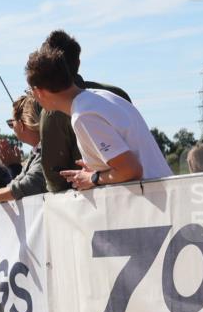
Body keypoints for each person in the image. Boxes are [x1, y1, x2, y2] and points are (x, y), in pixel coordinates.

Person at [25, 46, 172, 189]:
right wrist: (97, 169)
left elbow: (131, 170)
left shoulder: (83, 115)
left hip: (151, 203)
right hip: (163, 194)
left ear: (39, 91)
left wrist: (92, 178)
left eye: (30, 91)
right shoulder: (100, 96)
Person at [36, 30, 132, 192]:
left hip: (93, 204)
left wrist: (92, 178)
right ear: (78, 62)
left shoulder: (52, 111)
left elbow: (56, 180)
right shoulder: (116, 94)